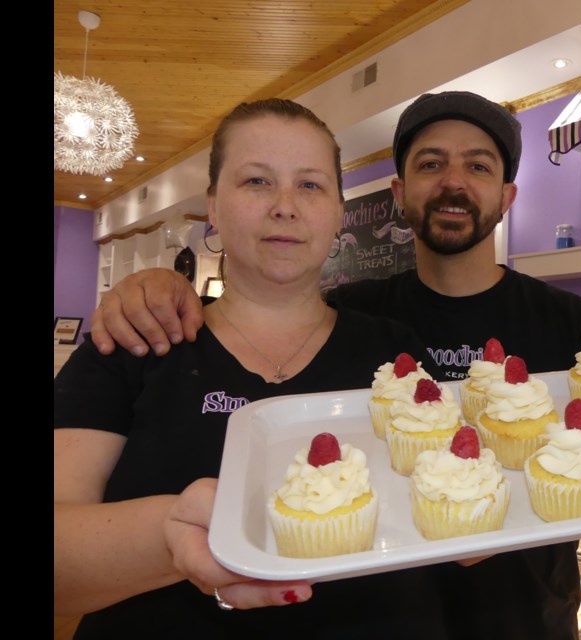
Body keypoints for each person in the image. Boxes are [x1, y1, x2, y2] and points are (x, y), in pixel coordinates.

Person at [90, 91, 581, 639]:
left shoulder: (568, 320)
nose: (454, 182)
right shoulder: (360, 321)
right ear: (398, 192)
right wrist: (156, 284)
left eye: (478, 166)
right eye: (431, 164)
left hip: (526, 621)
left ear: (507, 195)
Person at [54, 98, 451, 639]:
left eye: (311, 185)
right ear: (212, 206)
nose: (285, 206)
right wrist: (171, 537)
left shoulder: (395, 354)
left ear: (338, 211)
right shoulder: (133, 341)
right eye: (257, 182)